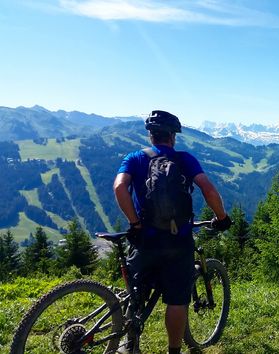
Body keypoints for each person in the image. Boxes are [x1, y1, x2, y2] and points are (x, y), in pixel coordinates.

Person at [113, 110, 231, 354]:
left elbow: (119, 188)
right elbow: (208, 190)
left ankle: (129, 343)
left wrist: (135, 224)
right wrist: (222, 218)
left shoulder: (135, 158)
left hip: (145, 239)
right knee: (177, 300)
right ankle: (174, 351)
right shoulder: (184, 159)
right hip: (179, 241)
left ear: (151, 136)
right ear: (173, 137)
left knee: (134, 292)